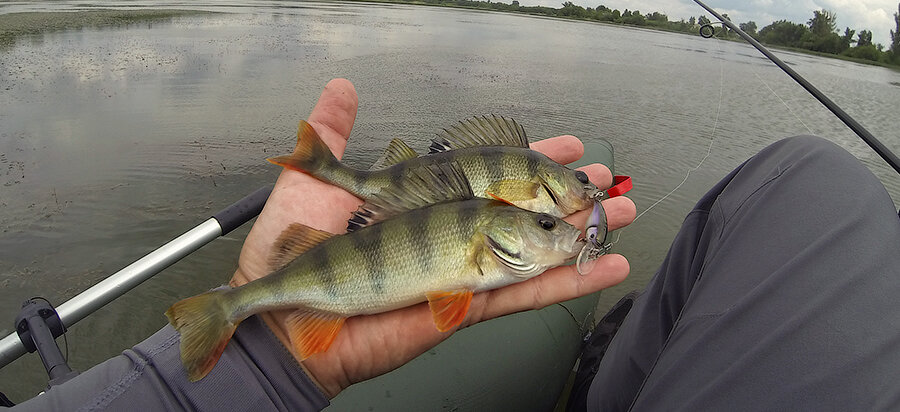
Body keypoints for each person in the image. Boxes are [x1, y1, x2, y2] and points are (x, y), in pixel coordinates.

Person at [13, 78, 900, 410]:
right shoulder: (491, 228)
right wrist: (258, 322)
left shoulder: (494, 236)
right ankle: (236, 306)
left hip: (294, 329)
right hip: (296, 308)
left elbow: (454, 273)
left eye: (554, 227)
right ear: (517, 220)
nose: (559, 234)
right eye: (548, 227)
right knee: (811, 174)